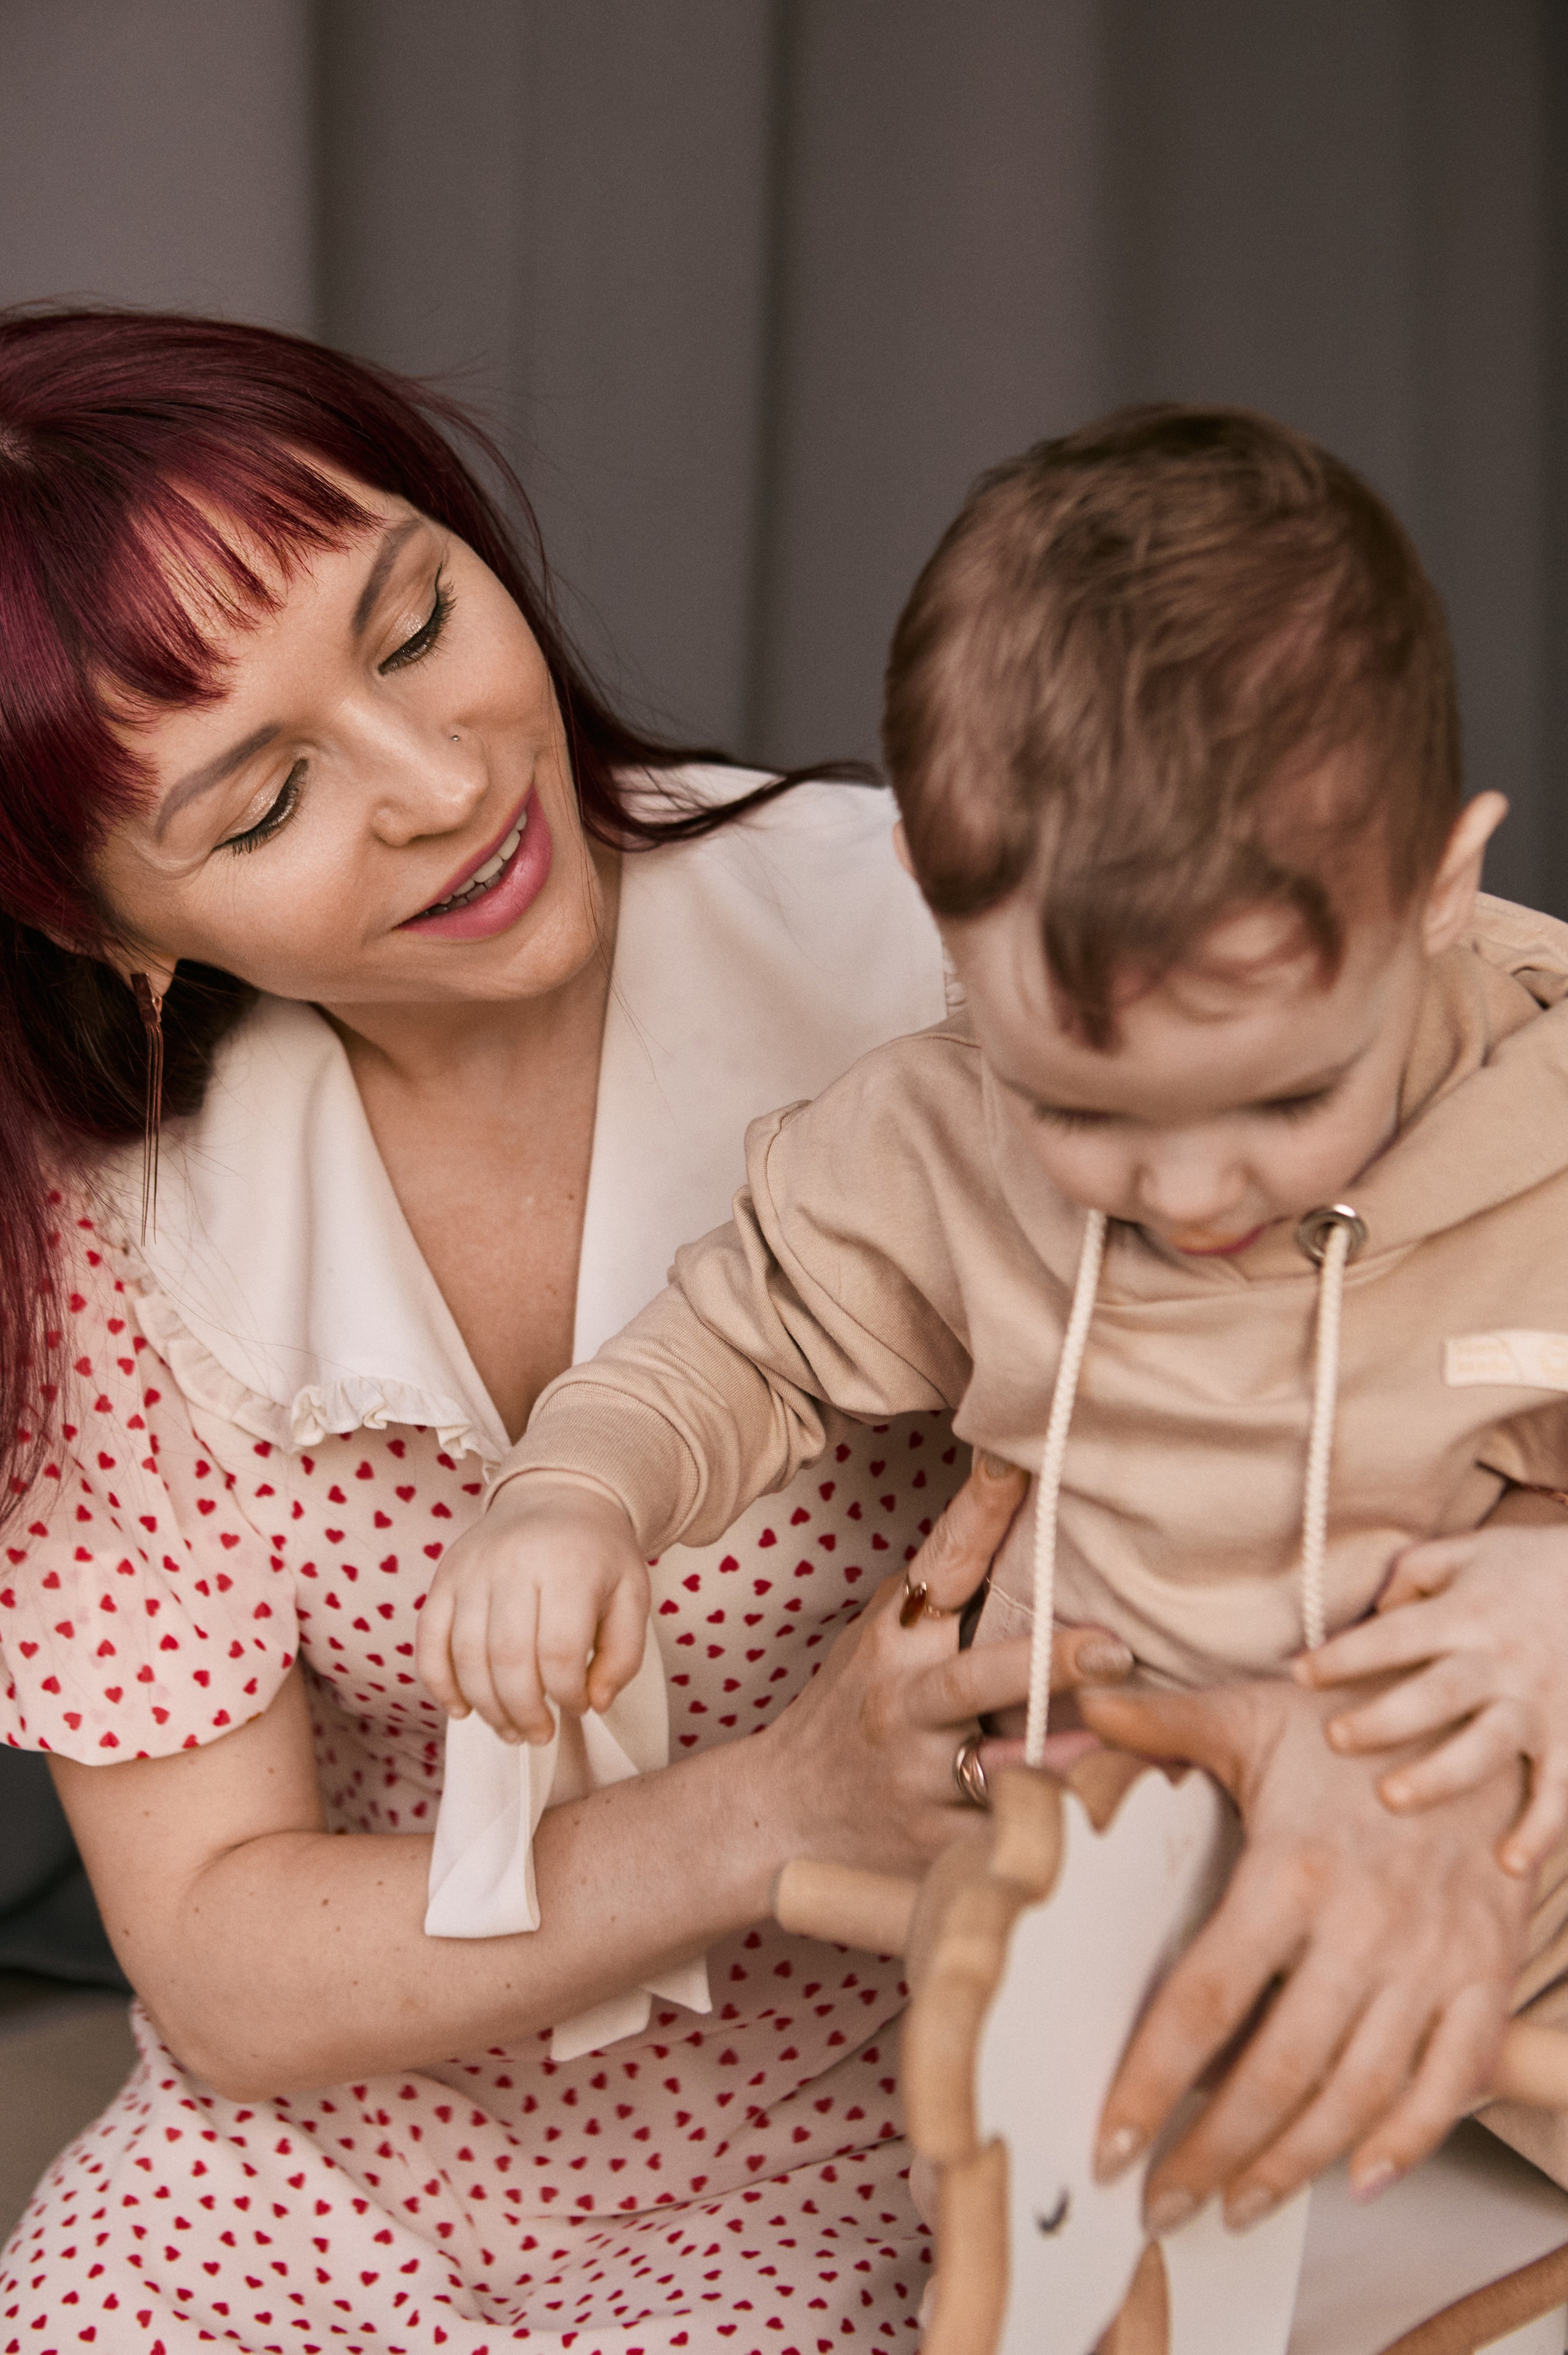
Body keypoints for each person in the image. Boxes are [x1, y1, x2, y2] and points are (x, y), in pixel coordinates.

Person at [0, 307, 1140, 2355]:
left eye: (418, 623)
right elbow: (226, 1962)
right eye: (262, 809)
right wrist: (767, 1811)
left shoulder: (931, 955)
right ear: (98, 922)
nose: (446, 784)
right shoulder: (115, 1241)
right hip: (318, 2152)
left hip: (870, 2109)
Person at [429, 405, 1568, 2234]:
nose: (1191, 1191)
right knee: (1026, 2218)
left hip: (1515, 1874)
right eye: (1087, 1114)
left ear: (1438, 885)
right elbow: (739, 1338)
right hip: (1109, 1885)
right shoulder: (937, 1142)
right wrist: (577, 1493)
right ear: (945, 920)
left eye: (1288, 1099)